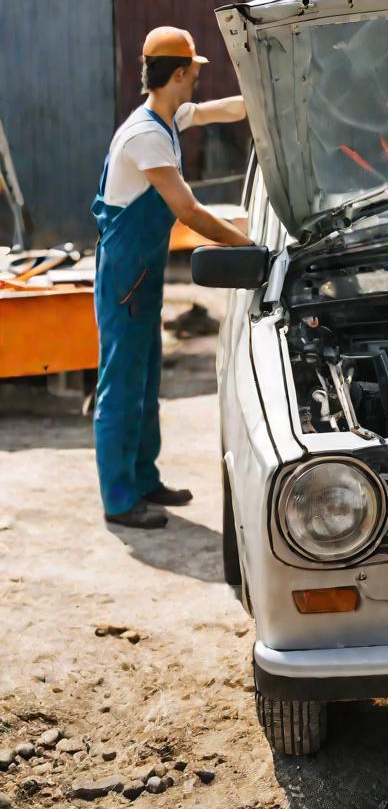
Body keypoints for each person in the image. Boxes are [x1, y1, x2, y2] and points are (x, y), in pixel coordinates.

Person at [93, 26, 252, 530]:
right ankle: (120, 499)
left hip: (142, 267)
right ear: (179, 73)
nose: (199, 80)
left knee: (144, 376)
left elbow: (219, 110)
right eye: (196, 71)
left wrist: (265, 97)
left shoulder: (166, 116)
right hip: (125, 271)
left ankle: (144, 478)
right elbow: (188, 210)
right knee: (121, 383)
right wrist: (247, 247)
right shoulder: (145, 137)